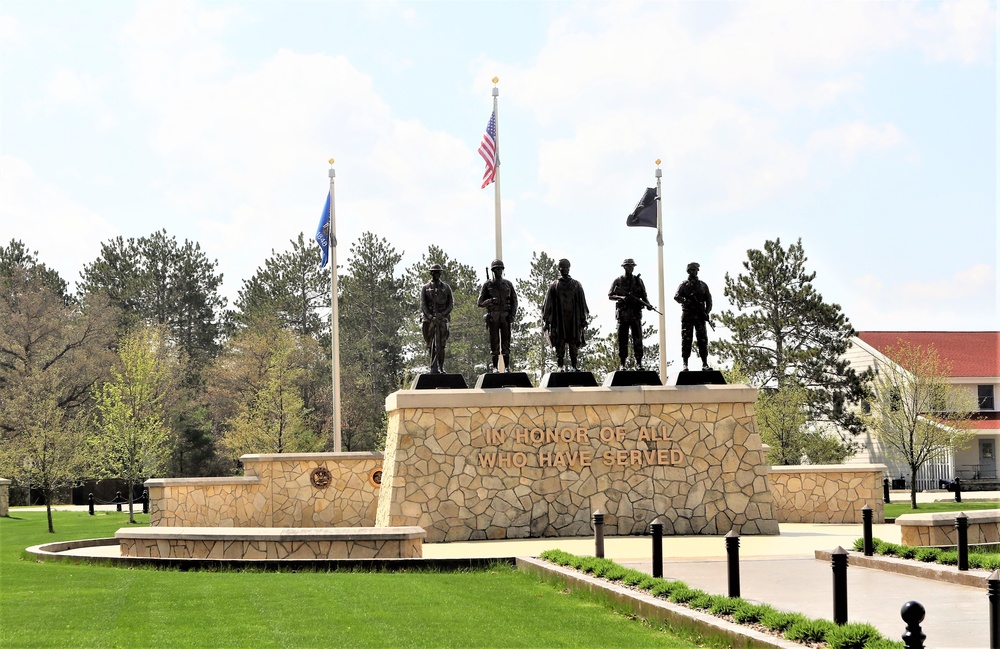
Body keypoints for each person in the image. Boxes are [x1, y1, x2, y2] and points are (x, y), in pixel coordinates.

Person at [542, 258, 589, 371]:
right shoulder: (554, 285)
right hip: (559, 319)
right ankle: (560, 366)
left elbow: (582, 303)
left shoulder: (576, 285)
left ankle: (574, 365)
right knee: (560, 342)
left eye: (567, 269)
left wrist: (583, 318)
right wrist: (546, 320)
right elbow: (548, 304)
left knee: (573, 342)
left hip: (573, 319)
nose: (565, 271)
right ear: (559, 270)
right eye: (563, 269)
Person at [608, 258, 652, 370]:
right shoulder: (618, 280)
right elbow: (610, 295)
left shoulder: (638, 281)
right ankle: (622, 363)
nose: (630, 268)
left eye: (632, 266)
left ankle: (639, 363)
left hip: (635, 314)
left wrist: (648, 304)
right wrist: (621, 297)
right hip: (623, 315)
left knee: (638, 339)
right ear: (624, 267)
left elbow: (644, 296)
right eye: (628, 266)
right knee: (622, 340)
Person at [478, 259, 518, 373]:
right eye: (496, 269)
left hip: (505, 317)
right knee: (494, 342)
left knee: (506, 342)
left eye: (500, 269)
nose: (498, 271)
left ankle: (507, 367)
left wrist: (512, 314)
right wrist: (490, 301)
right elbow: (480, 302)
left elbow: (514, 301)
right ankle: (495, 367)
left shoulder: (508, 284)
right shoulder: (488, 285)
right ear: (493, 271)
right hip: (494, 317)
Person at [673, 261, 713, 371]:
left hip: (700, 316)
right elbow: (676, 297)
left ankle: (704, 363)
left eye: (695, 270)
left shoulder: (703, 286)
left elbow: (709, 300)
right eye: (691, 270)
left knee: (702, 340)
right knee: (686, 339)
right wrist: (685, 300)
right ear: (688, 271)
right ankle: (685, 364)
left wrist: (706, 312)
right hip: (688, 316)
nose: (693, 272)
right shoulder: (684, 285)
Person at [420, 263, 453, 374]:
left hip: (442, 318)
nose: (437, 274)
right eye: (434, 272)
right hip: (429, 320)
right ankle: (433, 367)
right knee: (430, 343)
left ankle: (441, 367)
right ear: (431, 273)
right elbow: (423, 304)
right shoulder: (425, 288)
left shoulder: (446, 288)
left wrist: (442, 314)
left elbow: (450, 304)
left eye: (438, 272)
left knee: (441, 345)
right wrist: (430, 317)